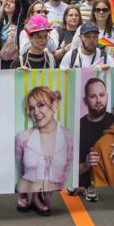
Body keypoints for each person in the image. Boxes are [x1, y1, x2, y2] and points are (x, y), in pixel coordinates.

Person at [15, 85, 75, 215]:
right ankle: (25, 195)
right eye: (31, 108)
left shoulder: (68, 136)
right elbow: (18, 169)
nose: (36, 112)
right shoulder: (23, 138)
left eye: (41, 105)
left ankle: (38, 197)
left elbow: (69, 169)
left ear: (54, 105)